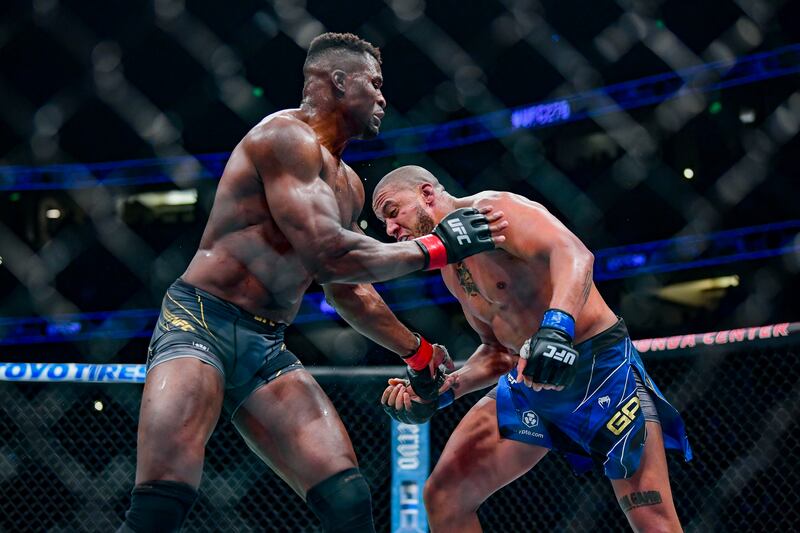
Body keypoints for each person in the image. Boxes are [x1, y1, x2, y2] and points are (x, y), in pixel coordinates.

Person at [117, 34, 507, 533]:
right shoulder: (284, 139)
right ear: (340, 82)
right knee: (161, 503)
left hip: (266, 345)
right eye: (376, 84)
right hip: (200, 322)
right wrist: (436, 248)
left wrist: (418, 352)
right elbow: (329, 251)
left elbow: (346, 286)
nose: (384, 98)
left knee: (347, 499)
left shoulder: (349, 186)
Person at [374, 166, 693, 533]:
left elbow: (574, 254)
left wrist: (557, 328)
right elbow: (499, 351)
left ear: (427, 194)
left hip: (599, 372)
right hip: (529, 383)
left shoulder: (494, 211)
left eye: (392, 212)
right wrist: (447, 388)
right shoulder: (451, 269)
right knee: (444, 496)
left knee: (654, 521)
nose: (390, 230)